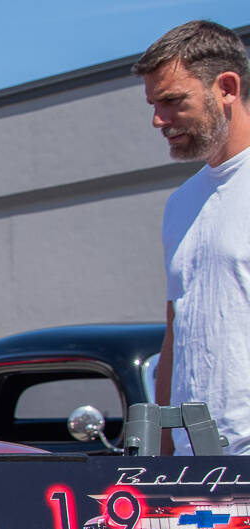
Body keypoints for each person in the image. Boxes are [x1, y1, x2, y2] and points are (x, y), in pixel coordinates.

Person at [136, 22, 250, 453]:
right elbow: (175, 335)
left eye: (172, 101)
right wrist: (162, 455)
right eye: (153, 103)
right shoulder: (180, 204)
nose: (157, 119)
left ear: (226, 87)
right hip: (193, 467)